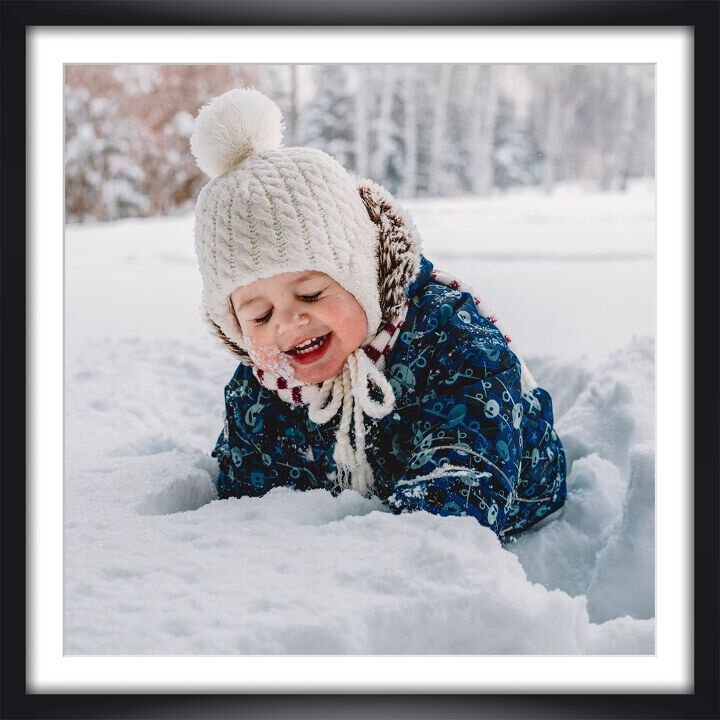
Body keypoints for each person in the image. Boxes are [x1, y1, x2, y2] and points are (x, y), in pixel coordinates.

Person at [191, 87, 566, 537]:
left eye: (311, 294)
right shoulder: (259, 394)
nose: (288, 322)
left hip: (513, 495)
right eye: (259, 315)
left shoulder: (452, 342)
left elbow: (466, 476)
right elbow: (246, 499)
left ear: (363, 278)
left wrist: (394, 548)